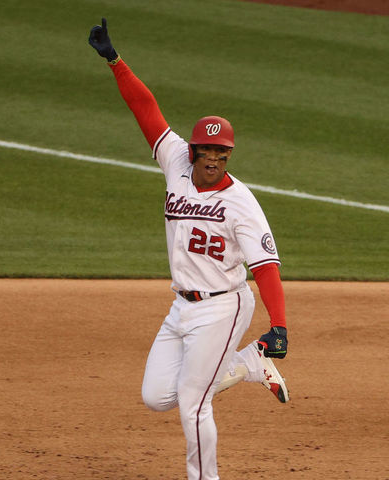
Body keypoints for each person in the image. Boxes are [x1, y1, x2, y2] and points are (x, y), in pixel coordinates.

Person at [88, 18, 290, 480]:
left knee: (193, 405)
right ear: (194, 150)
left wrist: (278, 323)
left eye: (224, 153)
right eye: (208, 152)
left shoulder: (241, 204)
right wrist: (115, 62)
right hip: (180, 307)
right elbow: (147, 111)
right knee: (158, 396)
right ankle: (249, 363)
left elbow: (266, 266)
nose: (215, 160)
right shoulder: (176, 160)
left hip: (224, 307)